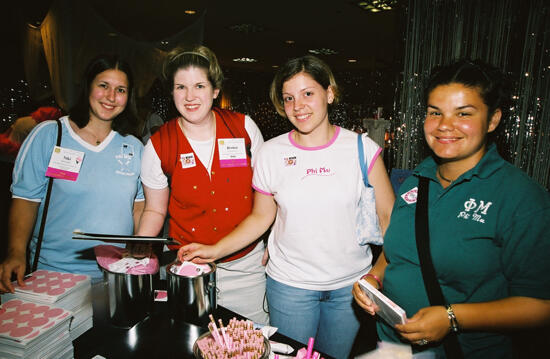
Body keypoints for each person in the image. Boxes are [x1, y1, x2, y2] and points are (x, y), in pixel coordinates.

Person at [179, 55, 395, 359]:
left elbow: (389, 219)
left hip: (349, 287)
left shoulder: (362, 149)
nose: (298, 106)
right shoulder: (271, 152)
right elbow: (261, 216)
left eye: (308, 94)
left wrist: (378, 274)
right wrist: (215, 249)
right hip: (290, 286)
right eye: (289, 98)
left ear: (329, 93)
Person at [352, 59, 550, 358]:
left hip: (464, 351)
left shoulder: (521, 198)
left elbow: (539, 306)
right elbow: (397, 254)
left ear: (493, 120)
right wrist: (372, 280)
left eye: (464, 113)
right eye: (435, 113)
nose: (445, 125)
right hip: (393, 345)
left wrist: (451, 318)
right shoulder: (415, 180)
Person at [136, 45, 268, 325]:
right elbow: (154, 211)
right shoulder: (159, 145)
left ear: (215, 90)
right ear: (171, 93)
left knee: (249, 343)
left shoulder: (244, 128)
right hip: (188, 269)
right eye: (180, 87)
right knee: (192, 343)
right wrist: (140, 248)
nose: (190, 96)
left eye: (199, 85)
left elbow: (269, 198)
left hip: (244, 267)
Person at [0, 54, 144, 292]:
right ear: (88, 87)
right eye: (103, 86)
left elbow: (139, 207)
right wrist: (15, 252)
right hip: (54, 275)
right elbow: (26, 200)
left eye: (121, 90)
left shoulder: (134, 147)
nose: (111, 97)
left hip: (115, 278)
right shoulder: (50, 135)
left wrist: (139, 250)